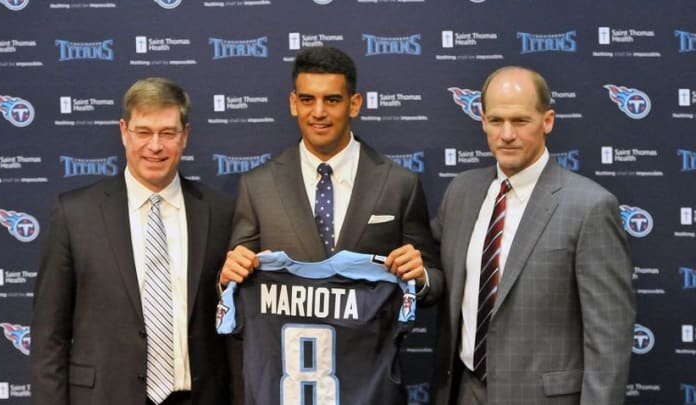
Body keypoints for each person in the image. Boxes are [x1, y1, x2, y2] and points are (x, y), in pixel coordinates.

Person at [219, 46, 442, 403]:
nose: (318, 112)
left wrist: (421, 276)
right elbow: (234, 289)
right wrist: (227, 277)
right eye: (307, 99)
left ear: (354, 104)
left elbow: (434, 283)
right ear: (293, 103)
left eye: (332, 100)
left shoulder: (399, 184)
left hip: (370, 389)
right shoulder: (258, 186)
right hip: (288, 390)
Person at [431, 66, 636, 405]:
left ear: (548, 121)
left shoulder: (590, 207)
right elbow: (438, 272)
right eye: (496, 121)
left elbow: (609, 340)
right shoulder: (461, 193)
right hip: (462, 391)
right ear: (482, 121)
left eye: (520, 121)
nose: (506, 134)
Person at [30, 77, 234, 405]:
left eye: (168, 133)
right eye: (143, 132)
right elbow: (48, 337)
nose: (155, 146)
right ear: (124, 131)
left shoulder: (221, 213)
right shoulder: (75, 214)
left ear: (185, 136)